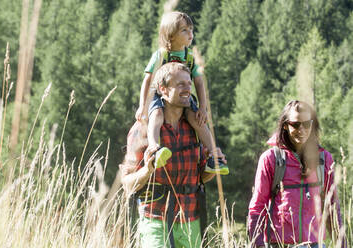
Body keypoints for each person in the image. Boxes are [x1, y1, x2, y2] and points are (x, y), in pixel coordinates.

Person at [121, 62, 227, 248]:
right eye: (180, 84)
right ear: (163, 89)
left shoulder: (196, 127)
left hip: (191, 220)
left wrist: (213, 168)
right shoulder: (143, 130)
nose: (187, 89)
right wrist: (148, 169)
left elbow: (202, 177)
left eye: (189, 83)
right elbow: (128, 185)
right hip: (155, 219)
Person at [135, 11, 228, 175]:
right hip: (158, 93)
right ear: (170, 35)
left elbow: (199, 82)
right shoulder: (161, 55)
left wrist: (202, 108)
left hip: (183, 96)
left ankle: (214, 155)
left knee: (197, 120)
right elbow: (147, 81)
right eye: (184, 30)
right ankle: (154, 148)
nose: (190, 34)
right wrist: (143, 105)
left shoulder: (189, 56)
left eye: (191, 29)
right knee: (156, 115)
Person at [247, 100, 345, 248]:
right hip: (279, 244)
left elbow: (332, 206)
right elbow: (257, 207)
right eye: (295, 124)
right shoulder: (271, 159)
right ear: (285, 125)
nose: (302, 129)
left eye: (306, 124)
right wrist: (257, 244)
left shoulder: (324, 159)